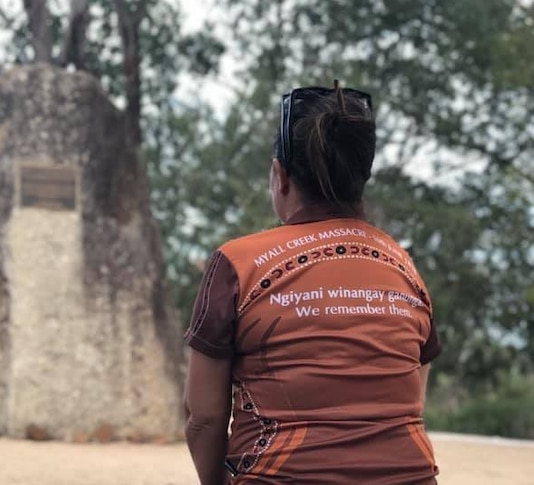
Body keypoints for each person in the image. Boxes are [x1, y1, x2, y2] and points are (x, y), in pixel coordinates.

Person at [183, 82, 441, 484]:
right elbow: (411, 404)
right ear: (362, 179)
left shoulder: (238, 263)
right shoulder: (403, 267)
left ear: (279, 177)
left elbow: (204, 418)